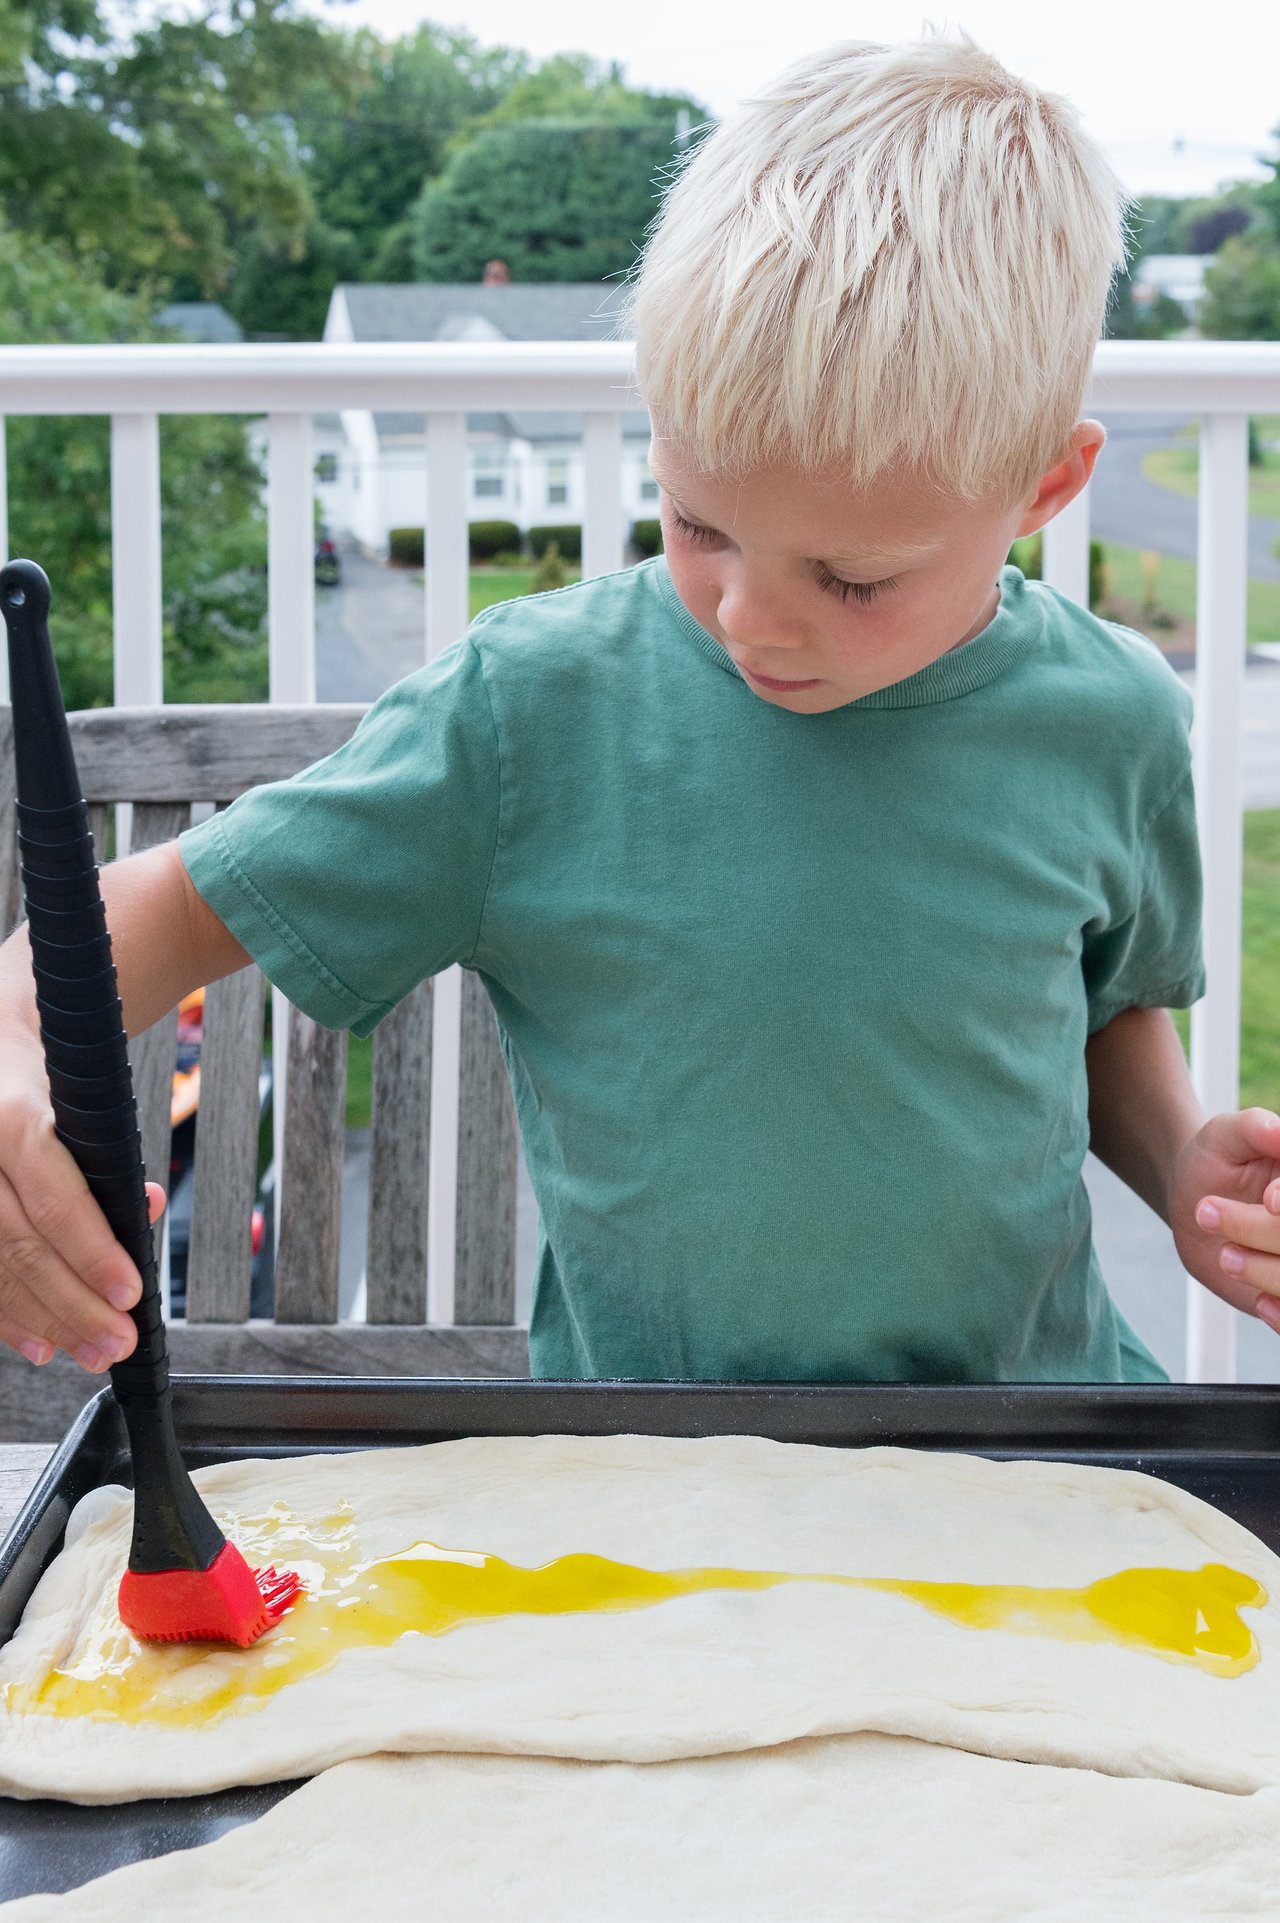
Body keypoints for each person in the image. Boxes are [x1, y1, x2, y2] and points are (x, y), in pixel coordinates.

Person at [1, 28, 1277, 1384]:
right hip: (660, 1497)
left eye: (851, 577)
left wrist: (1189, 1170)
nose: (749, 618)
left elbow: (1099, 1010)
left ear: (1045, 488)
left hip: (1041, 1460)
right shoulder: (531, 714)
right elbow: (180, 908)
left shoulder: (1112, 716)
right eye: (697, 521)